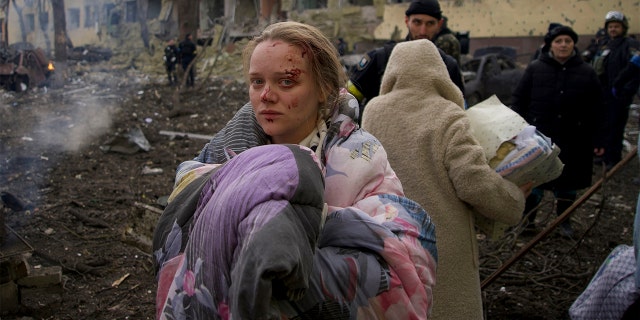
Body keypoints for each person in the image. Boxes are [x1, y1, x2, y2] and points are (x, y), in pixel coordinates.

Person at [152, 21, 437, 319]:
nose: (266, 95)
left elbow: (400, 260)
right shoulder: (223, 152)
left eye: (286, 82)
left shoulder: (359, 159)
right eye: (257, 82)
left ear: (324, 88)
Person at [361, 39, 529, 320]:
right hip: (441, 247)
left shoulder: (373, 111)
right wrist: (513, 198)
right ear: (439, 73)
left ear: (392, 72)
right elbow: (473, 181)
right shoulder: (448, 114)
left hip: (387, 236)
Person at [511, 25, 607, 237]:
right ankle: (528, 222)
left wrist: (600, 139)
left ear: (574, 44)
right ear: (550, 45)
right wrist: (514, 128)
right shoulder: (536, 68)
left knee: (567, 184)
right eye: (558, 41)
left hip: (575, 139)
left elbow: (598, 108)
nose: (563, 45)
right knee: (534, 182)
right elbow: (519, 99)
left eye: (568, 41)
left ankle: (563, 222)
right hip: (539, 138)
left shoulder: (587, 72)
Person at [346, 0, 465, 119]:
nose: (423, 31)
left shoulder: (448, 66)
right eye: (417, 22)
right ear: (407, 21)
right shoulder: (380, 59)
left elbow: (458, 113)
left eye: (430, 24)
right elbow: (346, 101)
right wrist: (371, 118)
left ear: (439, 24)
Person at [592, 11, 640, 169]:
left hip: (619, 94)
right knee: (604, 125)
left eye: (616, 26)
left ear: (623, 28)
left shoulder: (630, 45)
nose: (613, 29)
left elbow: (633, 72)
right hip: (604, 93)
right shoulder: (605, 44)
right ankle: (604, 155)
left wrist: (625, 91)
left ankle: (614, 157)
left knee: (616, 126)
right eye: (610, 26)